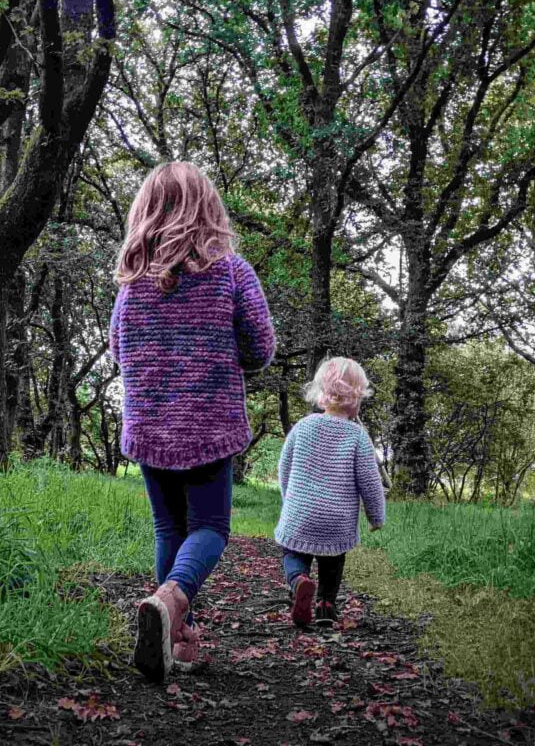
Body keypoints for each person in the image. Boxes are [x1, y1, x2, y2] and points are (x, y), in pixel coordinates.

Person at [109, 161, 275, 682]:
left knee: (169, 528)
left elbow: (118, 350)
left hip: (151, 426)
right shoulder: (230, 270)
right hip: (207, 424)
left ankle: (174, 639)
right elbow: (261, 347)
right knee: (209, 528)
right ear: (209, 210)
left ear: (145, 213)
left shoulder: (131, 283)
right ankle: (172, 601)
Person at [275, 357, 386, 628]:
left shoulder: (303, 427)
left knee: (292, 552)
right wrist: (376, 517)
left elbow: (285, 468)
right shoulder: (357, 437)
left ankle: (299, 580)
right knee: (332, 561)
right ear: (356, 399)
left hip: (300, 512)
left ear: (322, 394)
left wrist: (289, 499)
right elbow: (370, 482)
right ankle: (326, 605)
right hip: (337, 520)